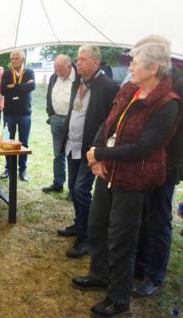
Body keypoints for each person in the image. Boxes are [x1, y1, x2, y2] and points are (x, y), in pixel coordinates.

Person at [72, 35, 180, 318]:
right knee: (97, 226)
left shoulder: (167, 103)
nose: (129, 66)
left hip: (134, 180)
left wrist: (101, 155)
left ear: (154, 68)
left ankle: (119, 299)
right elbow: (107, 123)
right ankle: (99, 274)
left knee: (122, 238)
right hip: (107, 173)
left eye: (135, 62)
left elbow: (145, 147)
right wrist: (96, 152)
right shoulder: (129, 89)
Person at [133, 38, 183, 298]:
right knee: (143, 214)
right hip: (144, 160)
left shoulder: (177, 82)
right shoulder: (151, 81)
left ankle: (155, 274)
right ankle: (140, 265)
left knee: (159, 219)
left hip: (166, 164)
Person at [58, 45, 119, 259]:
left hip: (89, 149)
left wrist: (97, 149)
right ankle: (79, 224)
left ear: (95, 61)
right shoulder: (79, 82)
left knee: (81, 190)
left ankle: (87, 238)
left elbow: (109, 122)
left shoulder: (109, 86)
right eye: (77, 59)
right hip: (72, 145)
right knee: (73, 188)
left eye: (82, 59)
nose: (78, 62)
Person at [42, 55, 78, 192]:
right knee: (58, 154)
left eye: (60, 70)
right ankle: (58, 184)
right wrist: (50, 114)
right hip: (56, 119)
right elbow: (48, 95)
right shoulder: (53, 77)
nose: (57, 72)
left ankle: (72, 189)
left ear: (69, 66)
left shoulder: (78, 78)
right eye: (55, 69)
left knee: (72, 155)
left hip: (72, 121)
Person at [0, 49, 35, 181]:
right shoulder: (6, 73)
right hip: (9, 113)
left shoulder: (30, 72)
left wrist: (13, 86)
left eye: (16, 58)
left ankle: (23, 170)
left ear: (22, 59)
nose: (13, 61)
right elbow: (3, 90)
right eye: (12, 59)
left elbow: (32, 87)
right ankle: (8, 168)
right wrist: (22, 86)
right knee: (8, 141)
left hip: (24, 113)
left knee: (23, 142)